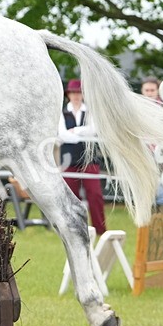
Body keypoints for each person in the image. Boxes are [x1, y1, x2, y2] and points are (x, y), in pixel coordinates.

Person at [58, 79, 107, 237]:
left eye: (79, 92)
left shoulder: (91, 111)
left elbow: (94, 130)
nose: (76, 96)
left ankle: (100, 229)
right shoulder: (62, 112)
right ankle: (73, 230)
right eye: (73, 92)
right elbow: (63, 135)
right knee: (70, 196)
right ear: (68, 95)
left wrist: (76, 131)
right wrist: (81, 133)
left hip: (89, 159)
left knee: (95, 194)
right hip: (68, 159)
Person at [140, 75, 163, 209]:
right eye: (147, 90)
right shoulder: (138, 107)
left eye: (152, 90)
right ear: (142, 91)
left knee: (161, 180)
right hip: (143, 149)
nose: (149, 93)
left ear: (157, 91)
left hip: (161, 150)